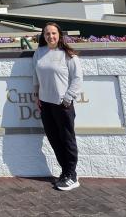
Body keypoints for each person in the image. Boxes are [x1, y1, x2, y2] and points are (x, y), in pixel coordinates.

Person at [32, 21, 83, 191]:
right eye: (47, 33)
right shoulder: (39, 53)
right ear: (43, 36)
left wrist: (68, 98)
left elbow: (77, 78)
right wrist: (36, 95)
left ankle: (72, 175)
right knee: (54, 139)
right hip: (45, 104)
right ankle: (65, 172)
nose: (50, 36)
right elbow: (35, 76)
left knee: (67, 139)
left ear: (59, 35)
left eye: (53, 33)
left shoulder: (68, 54)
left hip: (62, 104)